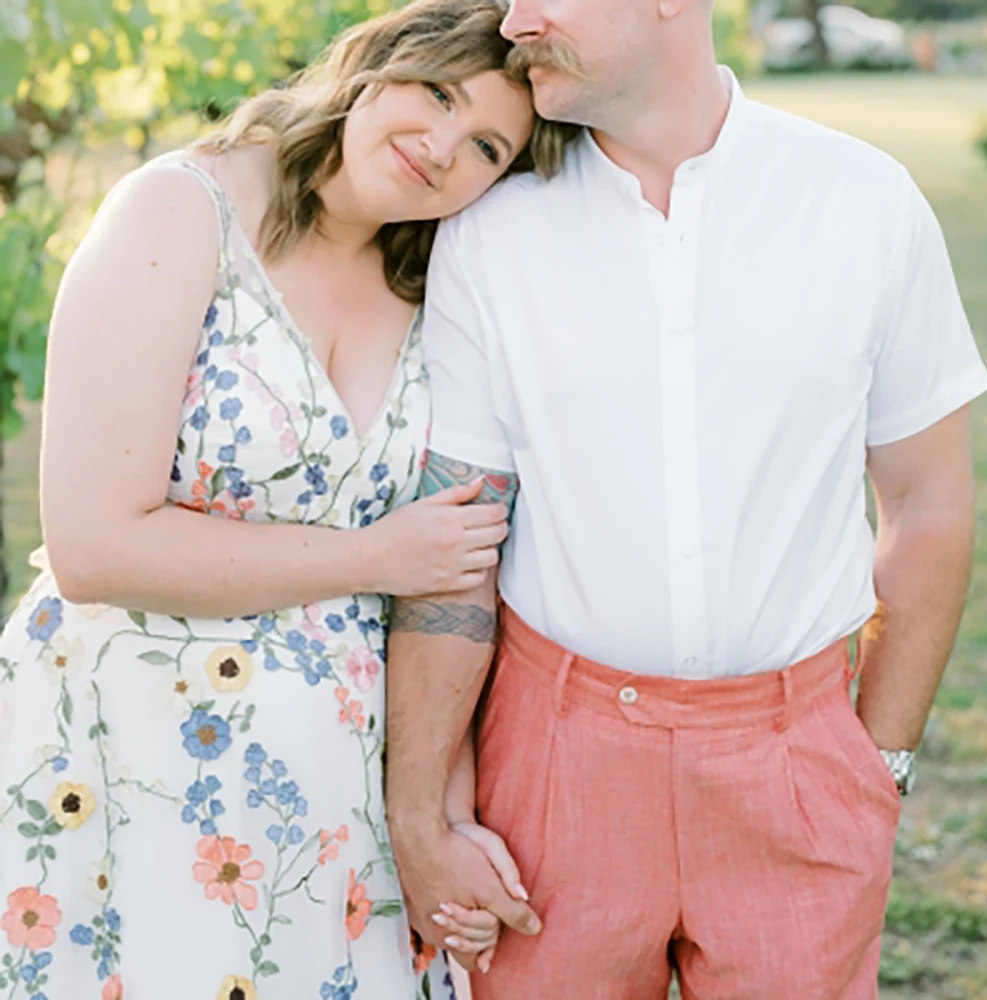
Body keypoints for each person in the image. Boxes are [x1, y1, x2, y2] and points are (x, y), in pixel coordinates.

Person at [385, 0, 987, 997]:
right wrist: (420, 815)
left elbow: (927, 502)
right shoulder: (489, 233)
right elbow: (457, 548)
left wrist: (875, 766)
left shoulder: (864, 202)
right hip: (552, 770)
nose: (513, 17)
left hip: (798, 768)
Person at [0, 3, 575, 997]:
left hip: (335, 807)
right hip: (129, 769)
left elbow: (455, 577)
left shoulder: (444, 278)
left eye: (485, 144)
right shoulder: (181, 213)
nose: (441, 148)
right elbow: (90, 541)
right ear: (375, 64)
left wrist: (440, 811)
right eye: (435, 93)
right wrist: (369, 559)